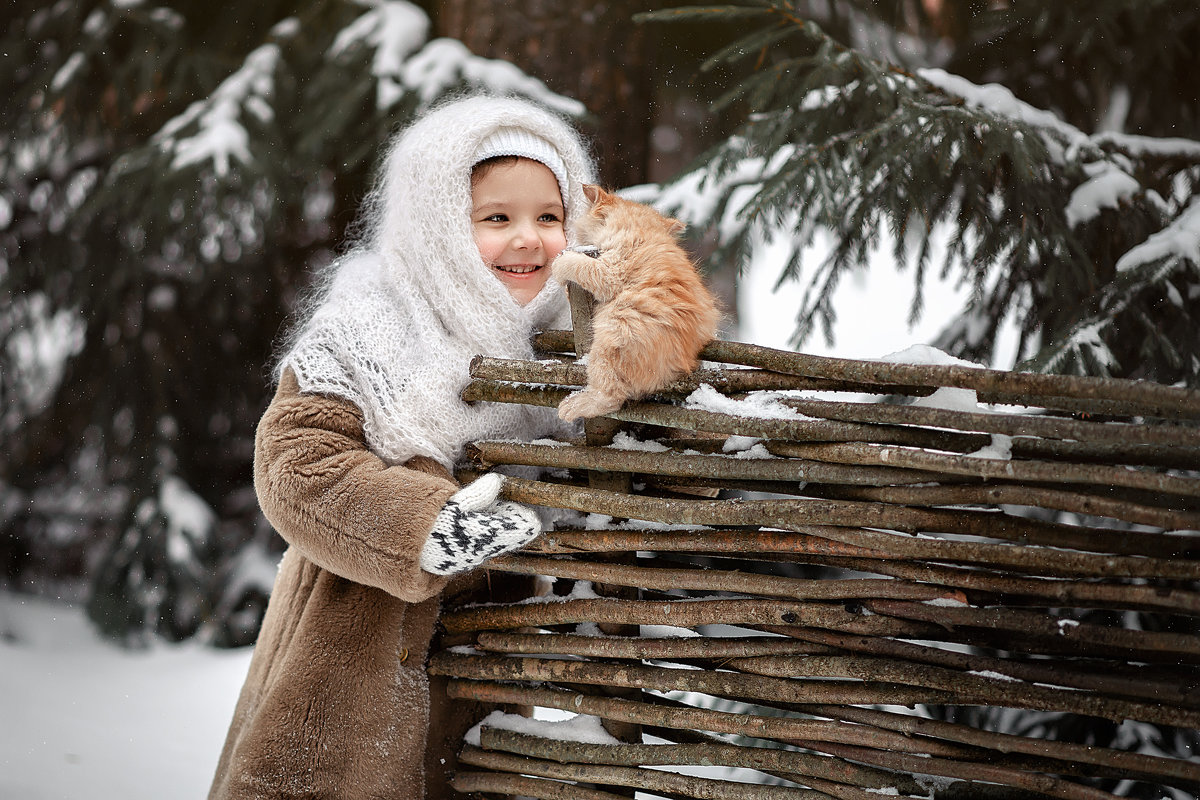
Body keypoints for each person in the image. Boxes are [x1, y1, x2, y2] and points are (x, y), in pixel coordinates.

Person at [208, 94, 595, 800]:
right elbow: (297, 463)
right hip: (346, 674)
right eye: (496, 218)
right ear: (440, 225)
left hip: (479, 695)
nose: (529, 239)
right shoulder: (368, 328)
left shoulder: (560, 351)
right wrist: (427, 526)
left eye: (549, 216)